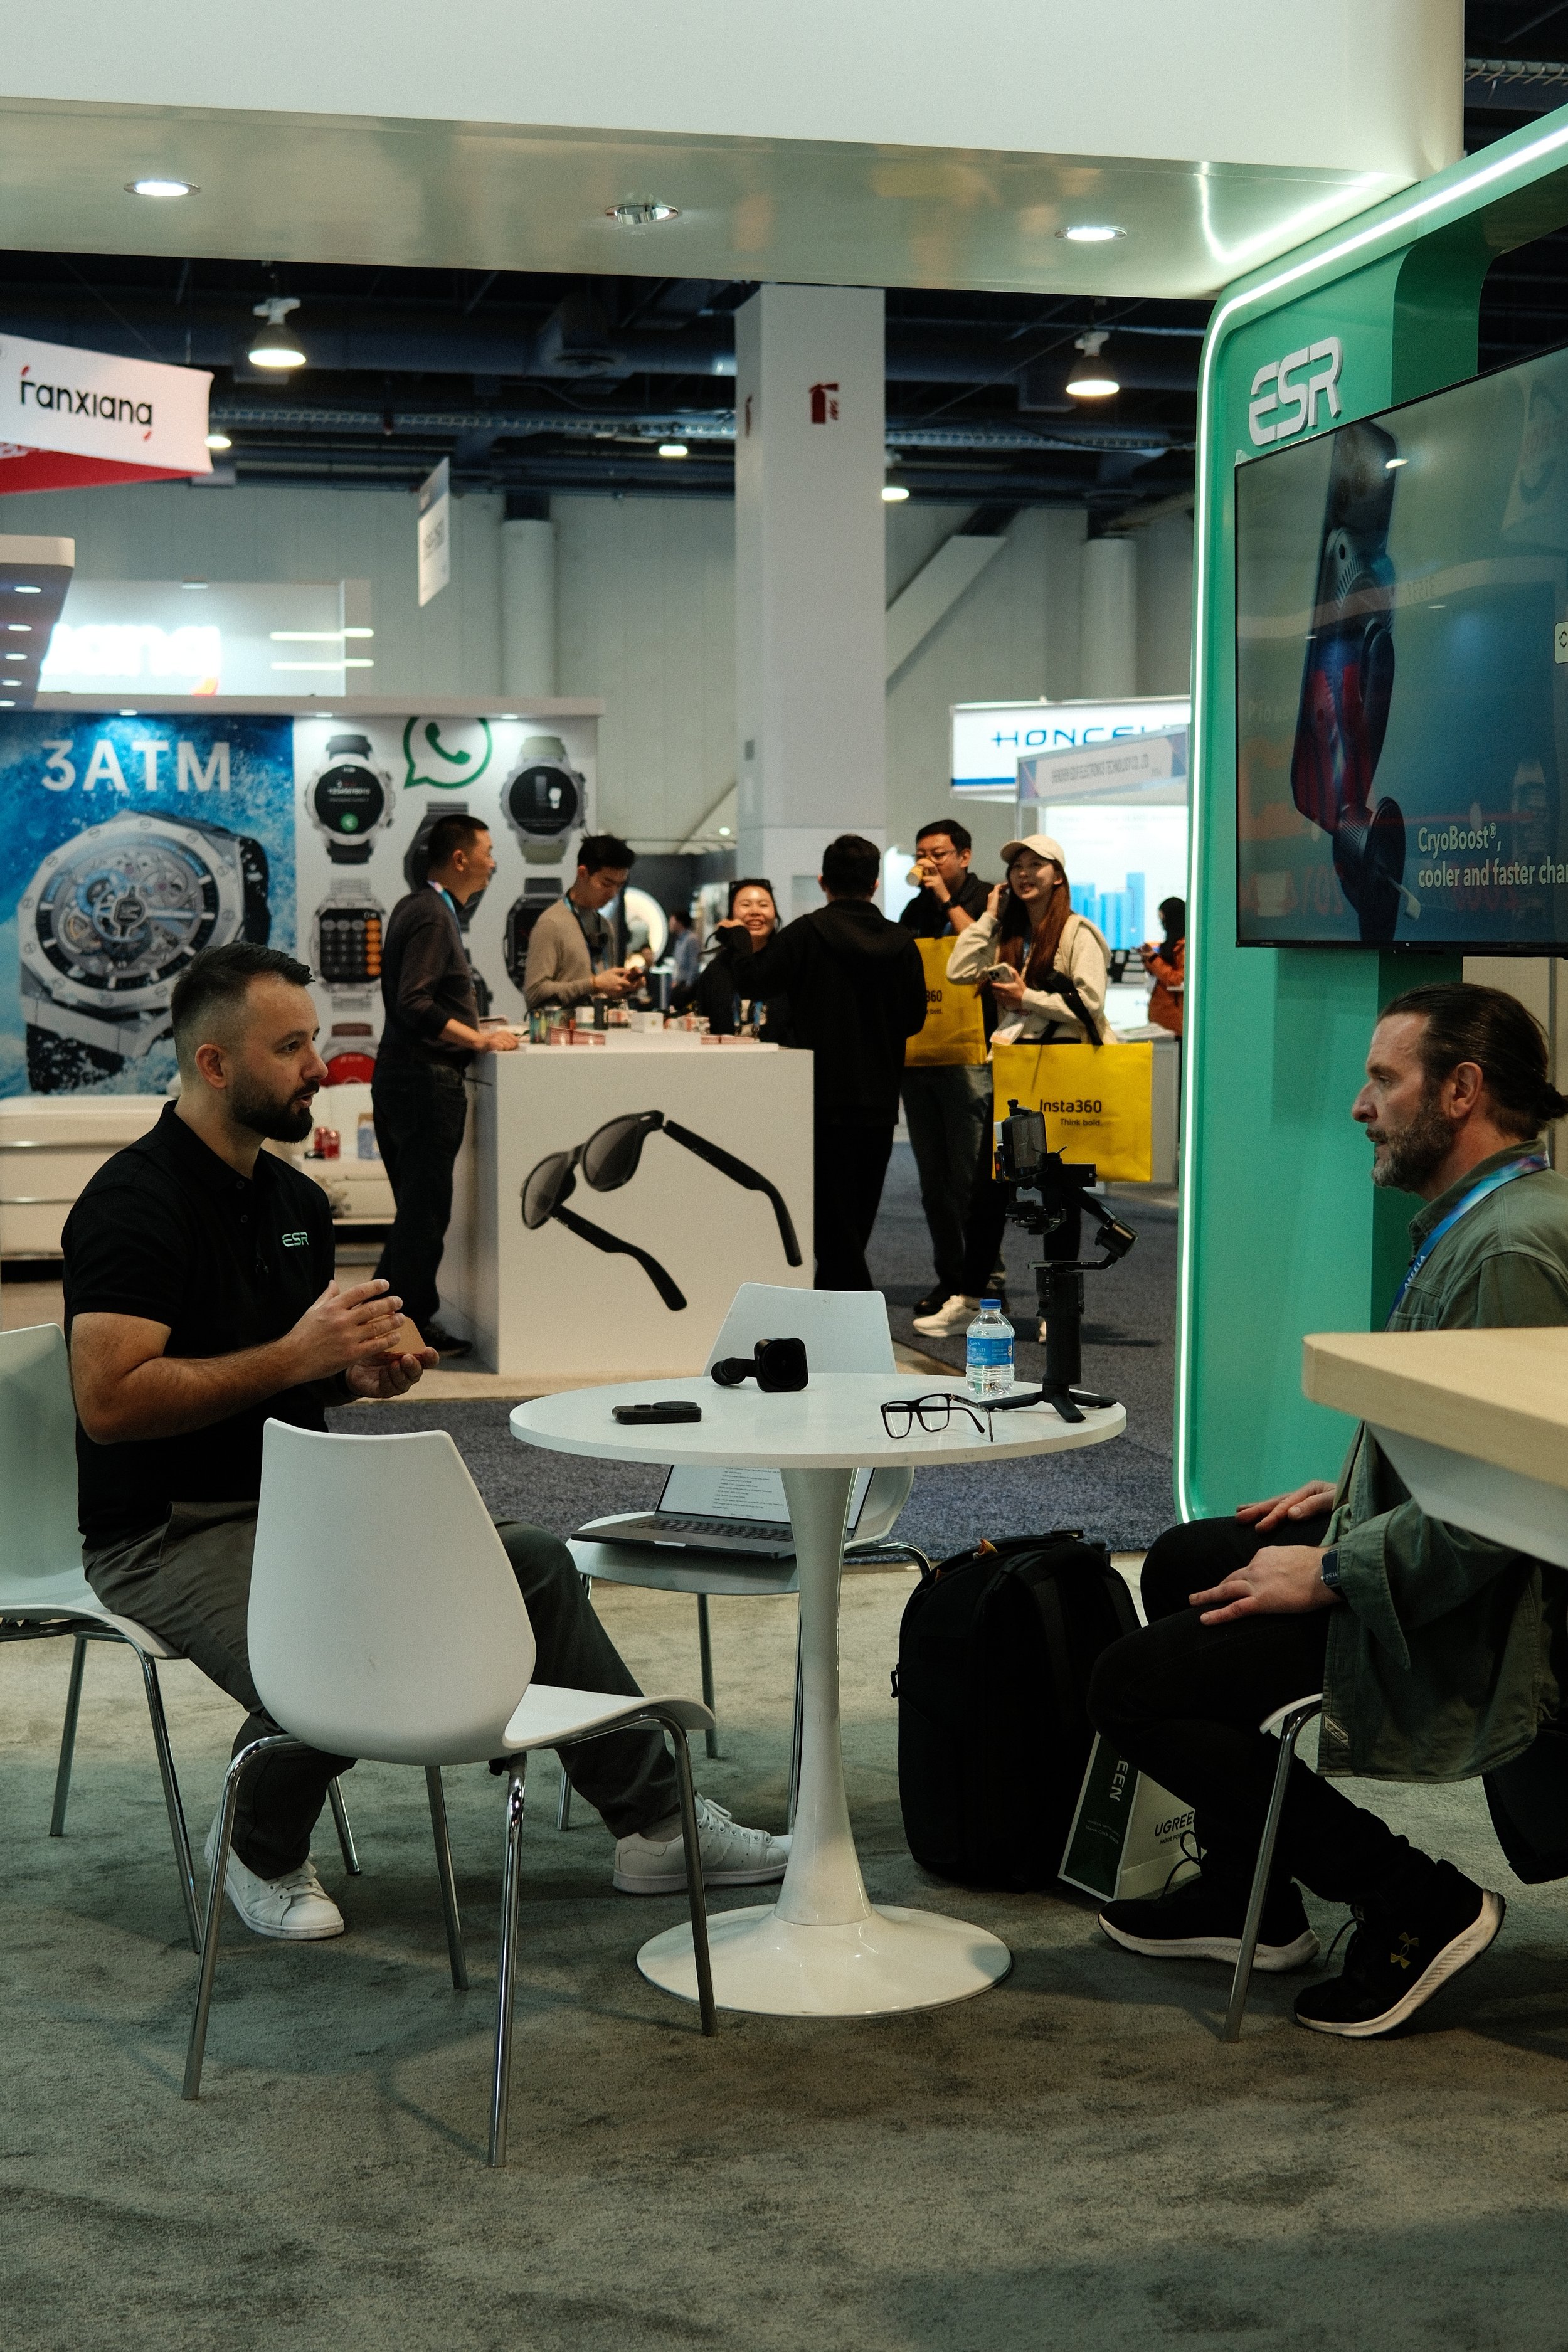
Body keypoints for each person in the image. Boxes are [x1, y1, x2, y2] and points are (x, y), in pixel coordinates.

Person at [62, 943, 788, 1945]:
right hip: (165, 1531)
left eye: (314, 1039)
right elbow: (110, 1401)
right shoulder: (132, 1203)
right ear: (216, 1065)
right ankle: (257, 1846)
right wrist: (293, 1358)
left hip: (297, 1507)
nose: (319, 1065)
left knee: (530, 1559)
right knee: (343, 1633)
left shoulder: (294, 1205)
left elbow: (289, 1371)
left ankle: (658, 1826)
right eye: (291, 1046)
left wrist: (344, 1373)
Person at [1088, 982, 1568, 2038]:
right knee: (1186, 1558)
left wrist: (1336, 1566)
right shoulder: (1490, 1218)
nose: (1362, 1104)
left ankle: (1415, 1900)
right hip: (1438, 1555)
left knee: (1133, 1689)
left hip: (1480, 1608)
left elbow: (1511, 1506)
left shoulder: (1509, 1250)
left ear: (1463, 1091)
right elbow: (1477, 1442)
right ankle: (1248, 1901)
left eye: (1384, 1079)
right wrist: (1355, 1493)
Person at [914, 833, 1111, 1338]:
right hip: (1017, 1072)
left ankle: (1058, 1308)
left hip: (1063, 1069)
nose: (1024, 874)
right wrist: (990, 917)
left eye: (1036, 866)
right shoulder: (1008, 933)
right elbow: (959, 970)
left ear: (1058, 876)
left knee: (1060, 1195)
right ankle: (970, 1298)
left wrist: (1028, 999)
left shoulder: (1077, 933)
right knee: (987, 1191)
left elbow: (1090, 1008)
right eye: (1017, 867)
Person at [713, 834, 926, 1290]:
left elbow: (753, 981)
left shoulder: (808, 933)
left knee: (831, 1221)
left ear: (824, 881)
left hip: (821, 1098)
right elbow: (914, 1019)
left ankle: (849, 1311)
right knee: (856, 1218)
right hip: (880, 1100)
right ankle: (837, 1314)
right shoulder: (902, 942)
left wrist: (735, 939)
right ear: (874, 884)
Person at [372, 813, 519, 1361]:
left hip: (403, 1076)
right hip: (425, 1080)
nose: (493, 861)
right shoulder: (434, 914)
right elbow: (415, 1002)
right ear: (459, 859)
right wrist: (479, 1041)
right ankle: (408, 1326)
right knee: (425, 1212)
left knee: (416, 1209)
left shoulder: (421, 908)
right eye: (487, 849)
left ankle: (380, 1319)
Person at [899, 820, 997, 1317]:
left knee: (969, 1176)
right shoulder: (914, 909)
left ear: (964, 855)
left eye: (938, 854)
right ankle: (950, 1277)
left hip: (968, 1053)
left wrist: (944, 897)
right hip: (920, 1053)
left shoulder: (988, 900)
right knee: (933, 1180)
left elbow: (981, 953)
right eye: (921, 854)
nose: (929, 863)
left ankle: (984, 1279)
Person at [523, 833, 646, 1012]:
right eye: (607, 884)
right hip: (563, 1034)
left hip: (599, 1033)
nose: (612, 893)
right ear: (583, 873)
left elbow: (601, 993)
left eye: (619, 886)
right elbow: (534, 993)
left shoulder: (604, 925)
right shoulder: (551, 924)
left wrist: (623, 986)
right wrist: (594, 984)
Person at [694, 878, 793, 1041]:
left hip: (780, 1063)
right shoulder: (717, 970)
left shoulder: (787, 964)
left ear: (775, 914)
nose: (755, 912)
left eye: (763, 905)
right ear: (731, 916)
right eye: (746, 905)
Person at [1140, 896, 1185, 1037]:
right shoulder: (1172, 945)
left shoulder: (1185, 947)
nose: (1162, 925)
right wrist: (1149, 960)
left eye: (1164, 921)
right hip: (1161, 1025)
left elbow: (1178, 980)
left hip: (1175, 1028)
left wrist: (1153, 960)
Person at [667, 908, 702, 994]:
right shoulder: (679, 940)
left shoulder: (691, 940)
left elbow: (694, 964)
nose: (670, 924)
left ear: (680, 923)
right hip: (679, 984)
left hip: (687, 987)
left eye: (672, 921)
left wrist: (688, 985)